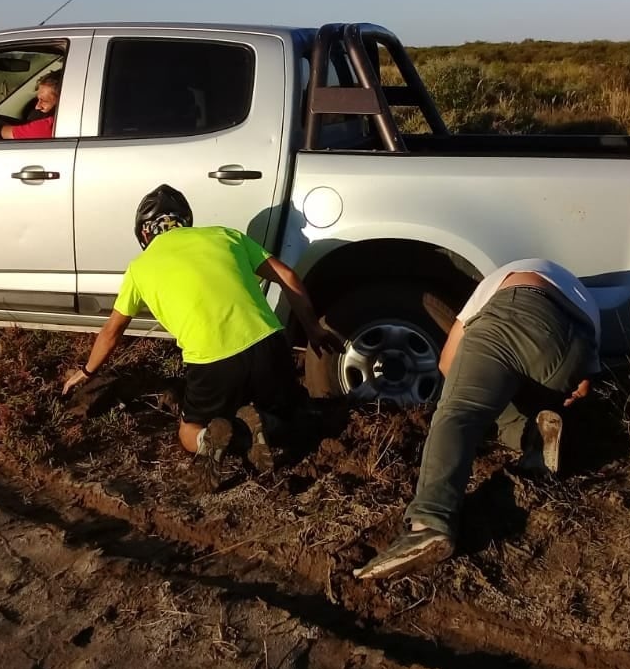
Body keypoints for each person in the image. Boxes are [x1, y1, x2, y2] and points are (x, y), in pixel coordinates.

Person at [61, 184, 340, 492]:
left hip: (212, 363)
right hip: (268, 344)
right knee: (287, 413)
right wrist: (313, 328)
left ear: (144, 233)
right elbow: (288, 276)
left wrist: (86, 372)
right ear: (186, 220)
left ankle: (211, 439)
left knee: (188, 429)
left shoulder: (139, 269)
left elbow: (112, 332)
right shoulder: (225, 235)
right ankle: (264, 422)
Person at [354, 259, 600, 580]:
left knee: (460, 413)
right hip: (575, 347)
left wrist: (472, 404)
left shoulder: (494, 283)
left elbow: (446, 363)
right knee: (512, 400)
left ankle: (429, 523)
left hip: (515, 312)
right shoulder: (579, 293)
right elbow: (583, 386)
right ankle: (534, 437)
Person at [0, 71, 60, 139]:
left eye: (44, 101)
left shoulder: (49, 127)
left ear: (62, 101)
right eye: (38, 99)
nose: (37, 106)